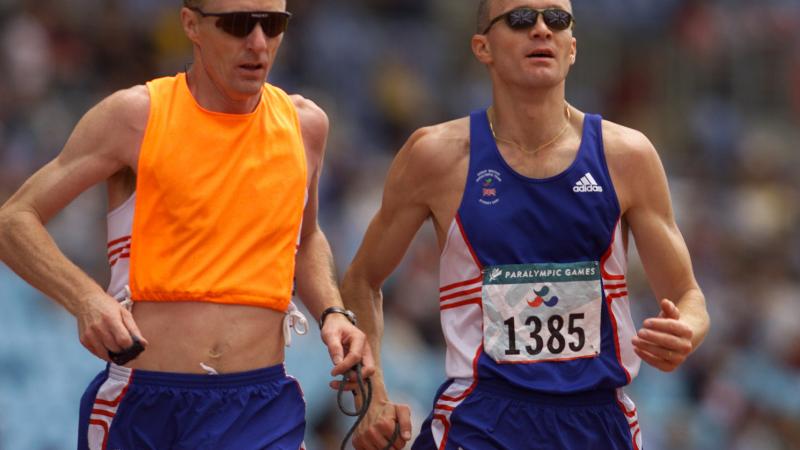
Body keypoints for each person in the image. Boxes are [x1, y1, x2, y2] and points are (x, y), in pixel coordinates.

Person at [0, 0, 373, 448]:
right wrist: (84, 299)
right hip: (145, 405)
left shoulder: (305, 125)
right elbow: (14, 220)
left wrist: (332, 312)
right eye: (237, 25)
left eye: (272, 24)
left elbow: (307, 237)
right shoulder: (135, 115)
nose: (258, 43)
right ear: (191, 25)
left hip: (260, 408)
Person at [340, 0, 710, 449]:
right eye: (520, 19)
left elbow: (688, 296)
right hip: (480, 420)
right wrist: (372, 396)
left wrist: (684, 330)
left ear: (572, 47)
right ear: (482, 47)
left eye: (556, 19)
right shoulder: (435, 157)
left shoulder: (627, 156)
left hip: (596, 423)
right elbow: (361, 280)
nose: (540, 29)